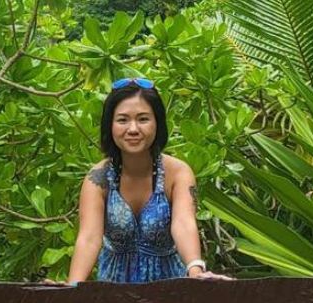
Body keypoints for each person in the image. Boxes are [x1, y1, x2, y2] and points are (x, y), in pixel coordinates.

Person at [64, 77, 230, 284]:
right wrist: (71, 290)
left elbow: (184, 223)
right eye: (122, 120)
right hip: (114, 295)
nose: (133, 129)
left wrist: (195, 270)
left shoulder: (178, 173)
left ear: (157, 123)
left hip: (169, 293)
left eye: (143, 119)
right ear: (110, 125)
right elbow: (89, 237)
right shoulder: (97, 178)